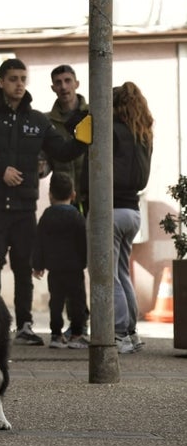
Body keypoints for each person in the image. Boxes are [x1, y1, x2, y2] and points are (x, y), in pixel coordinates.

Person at [0, 58, 87, 347]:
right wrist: (0, 170)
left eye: (23, 78)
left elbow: (62, 151)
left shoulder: (37, 120)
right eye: (13, 79)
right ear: (1, 83)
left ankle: (24, 326)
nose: (19, 84)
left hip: (23, 208)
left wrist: (83, 136)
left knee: (24, 267)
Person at [82, 82, 153, 354]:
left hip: (109, 210)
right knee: (122, 273)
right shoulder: (143, 134)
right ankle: (132, 332)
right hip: (133, 211)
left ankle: (120, 333)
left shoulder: (110, 130)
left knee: (107, 275)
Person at [31, 172, 88, 349]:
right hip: (74, 268)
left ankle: (56, 335)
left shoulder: (46, 216)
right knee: (77, 301)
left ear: (50, 195)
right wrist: (84, 262)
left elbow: (39, 241)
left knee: (56, 301)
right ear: (73, 195)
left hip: (54, 269)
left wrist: (38, 265)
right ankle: (77, 335)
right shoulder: (77, 217)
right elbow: (83, 242)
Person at [45, 64, 90, 207]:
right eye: (58, 82)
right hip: (62, 196)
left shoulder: (92, 114)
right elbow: (44, 160)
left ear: (77, 84)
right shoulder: (47, 121)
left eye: (68, 81)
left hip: (92, 193)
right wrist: (41, 168)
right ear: (52, 88)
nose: (63, 87)